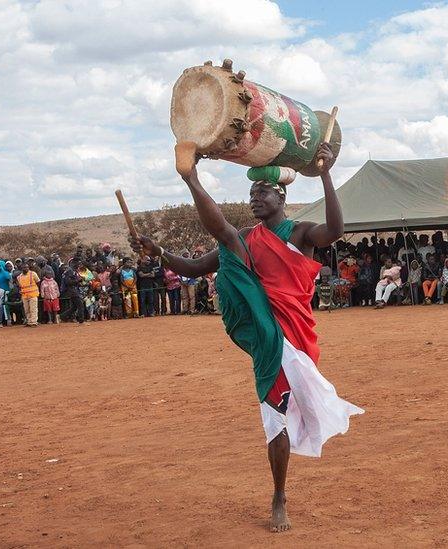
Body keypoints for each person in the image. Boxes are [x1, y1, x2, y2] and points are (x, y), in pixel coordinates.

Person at [130, 141, 361, 532]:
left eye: (262, 192)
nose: (254, 198)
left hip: (296, 335)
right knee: (275, 418)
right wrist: (160, 252)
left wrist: (324, 172)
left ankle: (191, 177)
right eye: (251, 193)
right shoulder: (244, 239)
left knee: (293, 409)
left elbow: (335, 230)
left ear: (281, 195)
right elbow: (192, 268)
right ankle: (279, 494)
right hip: (263, 332)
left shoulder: (300, 233)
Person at [16, 262, 41, 327]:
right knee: (27, 309)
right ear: (22, 268)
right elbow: (19, 286)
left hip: (33, 294)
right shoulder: (19, 277)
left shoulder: (33, 274)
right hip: (24, 295)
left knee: (33, 309)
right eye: (24, 267)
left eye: (27, 267)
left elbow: (38, 282)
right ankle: (29, 321)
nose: (26, 268)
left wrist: (37, 291)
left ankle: (34, 322)